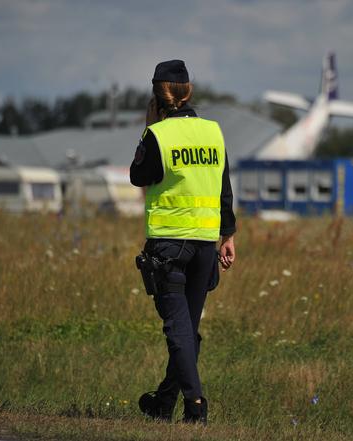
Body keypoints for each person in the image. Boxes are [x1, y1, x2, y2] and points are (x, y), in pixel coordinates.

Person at [129, 59, 236, 425]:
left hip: (169, 246)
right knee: (187, 330)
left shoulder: (157, 135)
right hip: (207, 243)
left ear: (157, 99)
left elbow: (138, 175)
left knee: (178, 330)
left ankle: (196, 406)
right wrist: (229, 235)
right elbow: (224, 186)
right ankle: (163, 402)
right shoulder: (214, 132)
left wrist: (149, 129)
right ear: (188, 92)